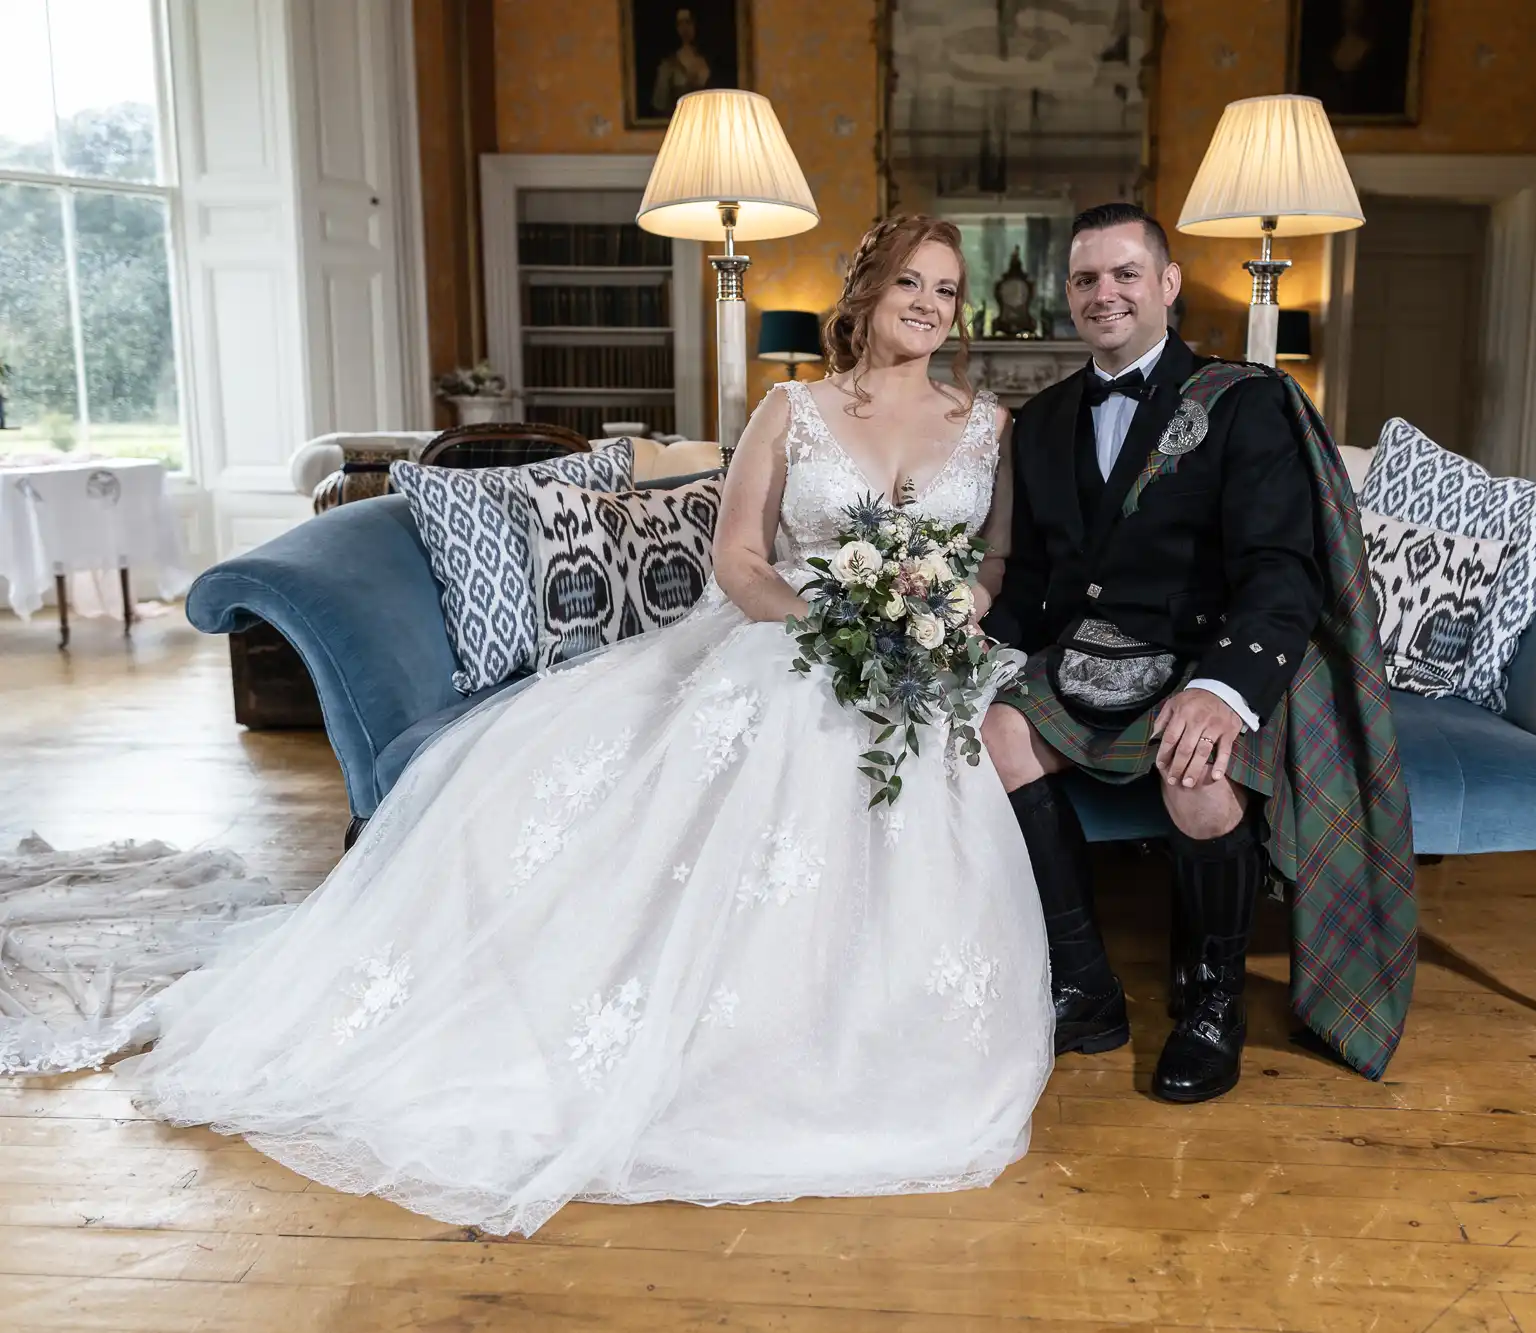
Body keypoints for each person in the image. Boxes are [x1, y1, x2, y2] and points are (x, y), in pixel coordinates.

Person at [2, 216, 1053, 1239]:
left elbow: (993, 566)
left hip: (925, 655)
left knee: (930, 758)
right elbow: (739, 560)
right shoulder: (792, 410)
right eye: (910, 282)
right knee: (783, 727)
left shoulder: (988, 423)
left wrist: (938, 619)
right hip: (794, 631)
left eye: (946, 290)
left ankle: (857, 1039)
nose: (928, 304)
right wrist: (831, 624)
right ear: (865, 293)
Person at [980, 203, 1416, 1105]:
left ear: (1168, 285)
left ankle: (1215, 1005)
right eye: (1086, 278)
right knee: (998, 733)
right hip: (1087, 655)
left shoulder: (1245, 401)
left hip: (1201, 655)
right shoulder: (1043, 420)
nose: (1105, 294)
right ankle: (1084, 986)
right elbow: (1029, 583)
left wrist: (1224, 688)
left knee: (1198, 774)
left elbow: (1281, 571)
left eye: (1125, 274)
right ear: (1066, 294)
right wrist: (974, 654)